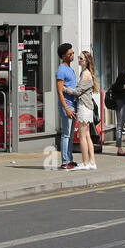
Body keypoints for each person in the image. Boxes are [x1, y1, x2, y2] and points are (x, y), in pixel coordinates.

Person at [55, 42, 79, 171]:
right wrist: (67, 108)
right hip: (67, 106)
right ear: (63, 56)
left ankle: (70, 159)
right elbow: (59, 91)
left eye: (72, 53)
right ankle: (65, 162)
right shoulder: (61, 70)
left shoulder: (70, 68)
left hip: (73, 105)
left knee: (70, 135)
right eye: (70, 54)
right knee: (65, 135)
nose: (72, 55)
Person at [75, 51, 100, 170]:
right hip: (88, 107)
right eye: (79, 58)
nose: (79, 60)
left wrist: (63, 89)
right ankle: (92, 162)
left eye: (81, 58)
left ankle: (85, 163)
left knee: (82, 136)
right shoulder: (86, 73)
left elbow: (78, 91)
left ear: (86, 61)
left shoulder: (85, 74)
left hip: (84, 106)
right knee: (88, 135)